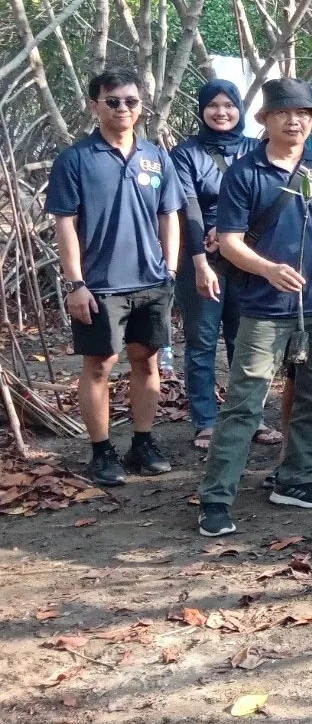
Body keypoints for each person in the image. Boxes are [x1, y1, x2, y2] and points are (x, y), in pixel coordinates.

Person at [197, 78, 312, 536]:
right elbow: (228, 241)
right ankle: (215, 497)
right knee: (245, 404)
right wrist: (267, 269)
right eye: (284, 113)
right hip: (264, 308)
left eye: (304, 114)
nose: (295, 120)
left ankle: (296, 479)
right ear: (265, 119)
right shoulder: (244, 173)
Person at [47, 68, 183, 486]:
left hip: (152, 280)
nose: (123, 108)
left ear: (141, 106)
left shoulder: (156, 157)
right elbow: (65, 224)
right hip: (100, 284)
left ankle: (143, 442)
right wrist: (75, 283)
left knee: (146, 359)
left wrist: (171, 268)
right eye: (113, 101)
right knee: (99, 365)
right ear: (95, 106)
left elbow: (169, 215)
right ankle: (101, 451)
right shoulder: (76, 160)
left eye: (131, 101)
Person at [169, 79, 279, 454]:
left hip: (247, 254)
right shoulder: (185, 153)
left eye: (228, 105)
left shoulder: (255, 148)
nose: (221, 112)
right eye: (213, 105)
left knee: (245, 338)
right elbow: (187, 206)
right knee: (201, 340)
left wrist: (234, 231)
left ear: (239, 109)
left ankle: (250, 416)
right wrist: (201, 261)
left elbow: (265, 198)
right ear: (202, 109)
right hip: (202, 257)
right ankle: (205, 420)